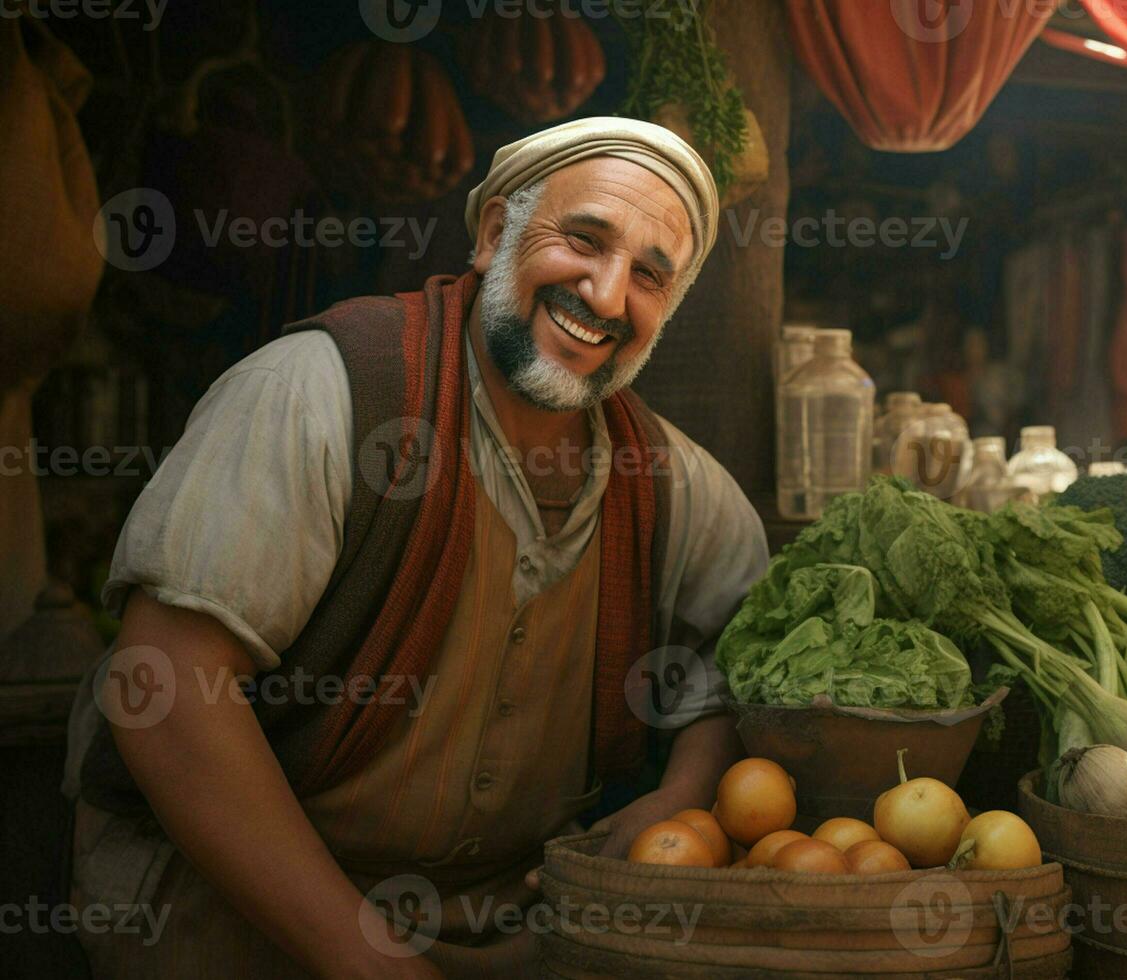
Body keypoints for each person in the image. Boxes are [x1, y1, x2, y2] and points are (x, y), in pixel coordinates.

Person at [61, 117, 769, 977]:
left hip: (497, 931)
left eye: (651, 275)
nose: (610, 294)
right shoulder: (322, 395)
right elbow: (164, 689)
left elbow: (736, 668)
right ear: (495, 234)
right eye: (585, 240)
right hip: (236, 916)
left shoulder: (671, 485)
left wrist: (684, 792)